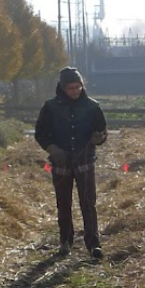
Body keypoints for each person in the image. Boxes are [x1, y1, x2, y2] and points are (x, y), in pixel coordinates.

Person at [34, 66, 109, 259]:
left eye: (78, 87)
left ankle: (93, 244)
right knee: (63, 202)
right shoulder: (50, 107)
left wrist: (98, 137)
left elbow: (102, 130)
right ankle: (65, 241)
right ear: (62, 87)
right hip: (61, 162)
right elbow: (40, 133)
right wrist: (52, 149)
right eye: (71, 88)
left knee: (88, 202)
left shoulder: (92, 107)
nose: (75, 91)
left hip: (85, 160)